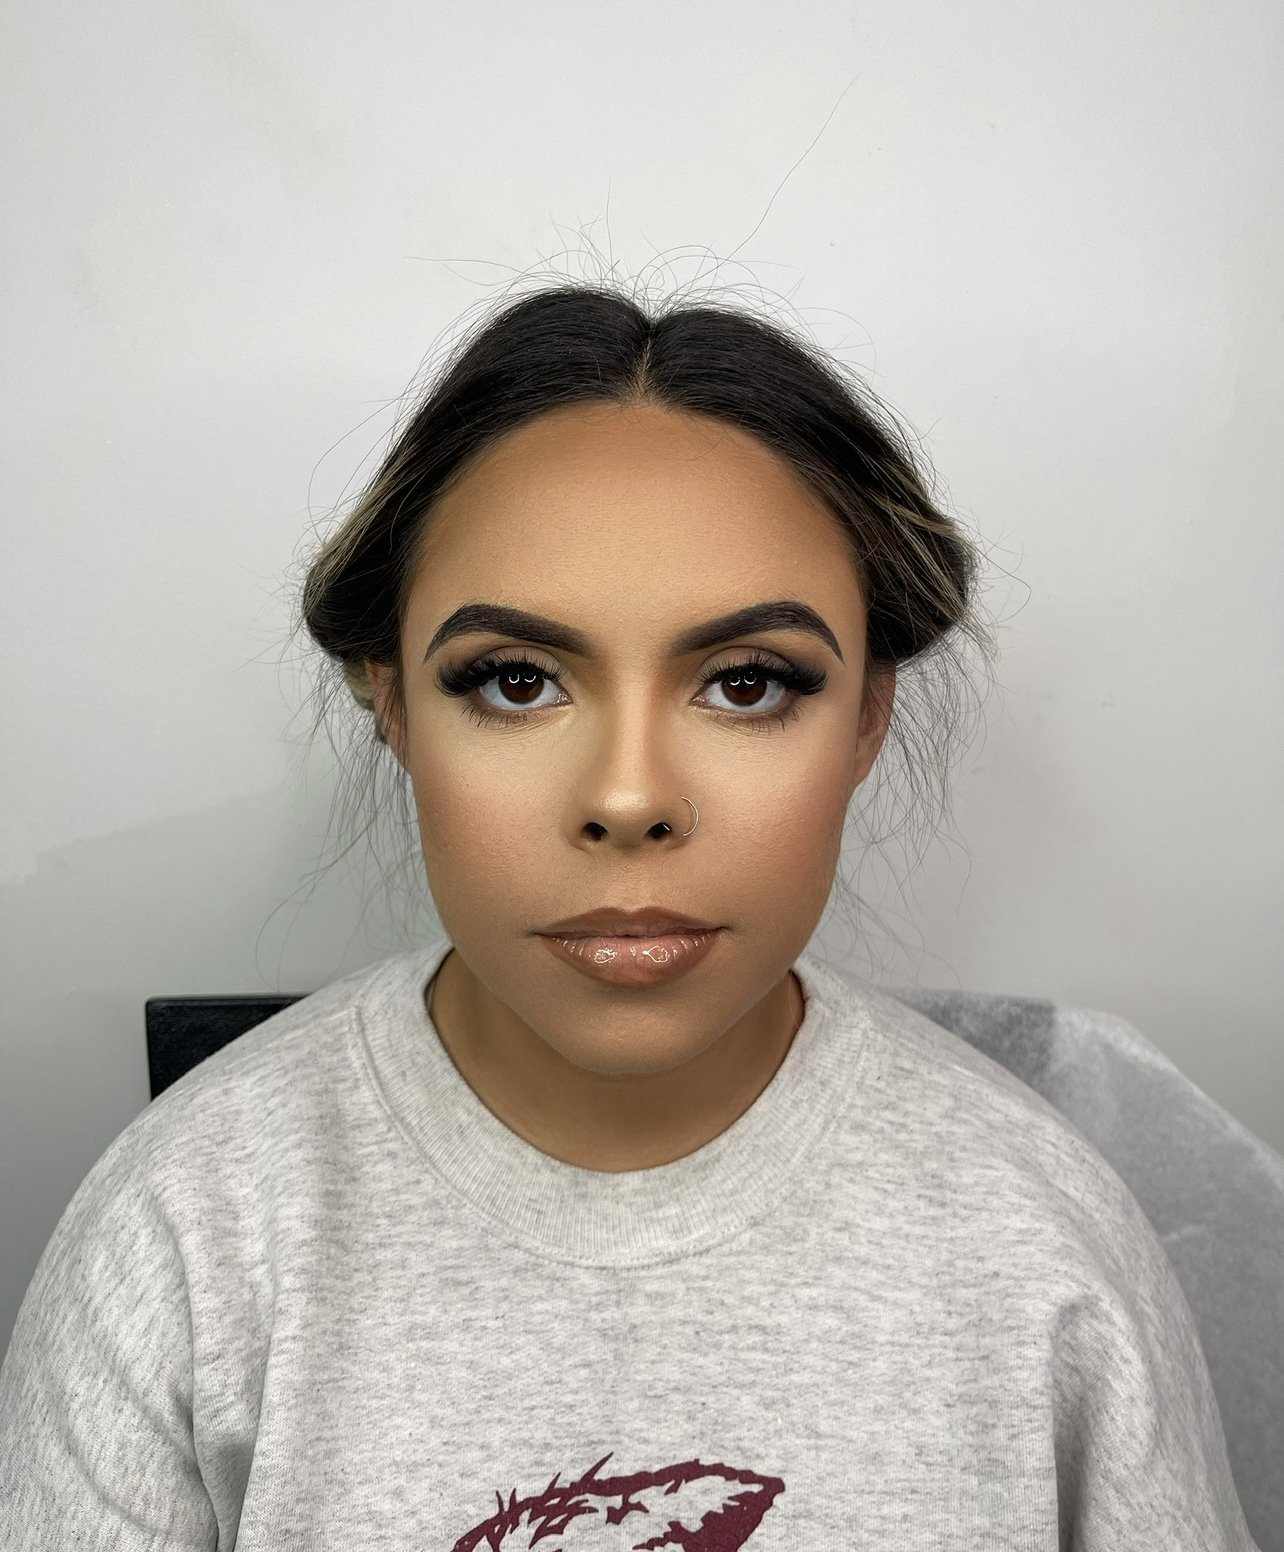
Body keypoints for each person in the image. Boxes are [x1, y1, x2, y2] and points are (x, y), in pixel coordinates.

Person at [0, 279, 1259, 1548]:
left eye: (749, 682)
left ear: (869, 712)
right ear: (390, 700)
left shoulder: (1043, 1244)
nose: (628, 798)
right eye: (516, 680)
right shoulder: (187, 1230)